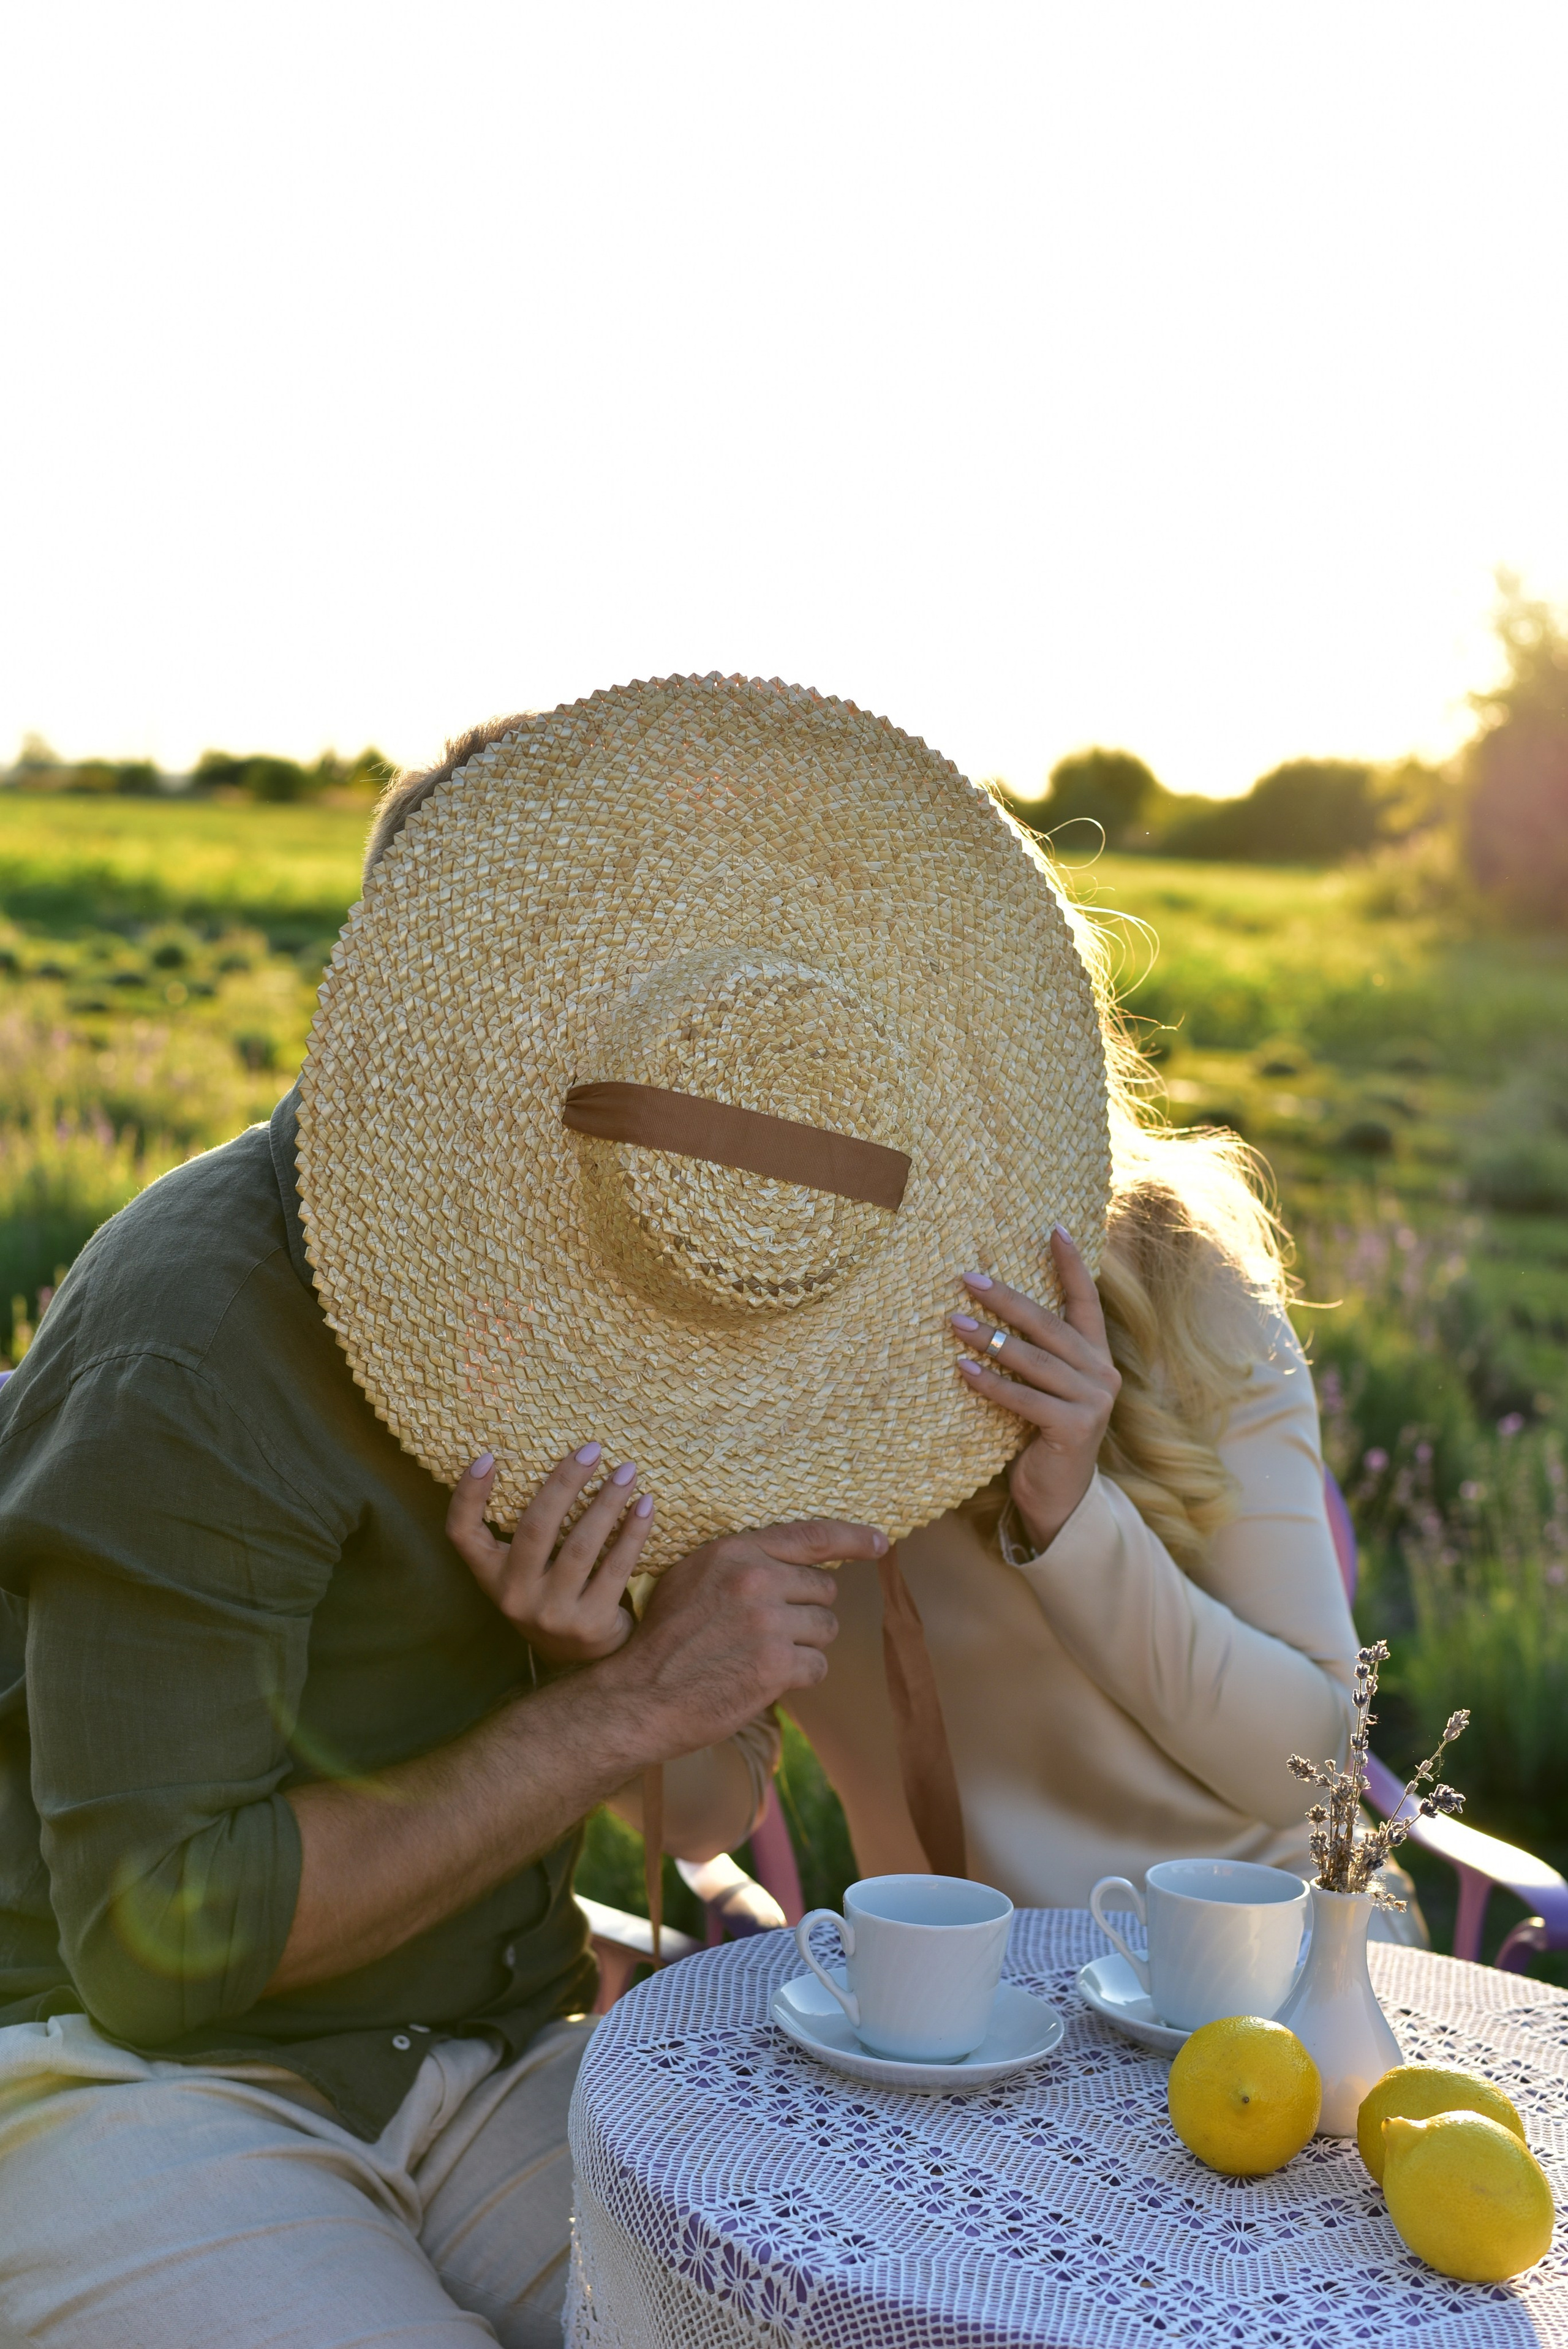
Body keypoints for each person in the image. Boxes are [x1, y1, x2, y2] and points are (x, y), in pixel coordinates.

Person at [0, 720, 881, 2349]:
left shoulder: (642, 1296)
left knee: (823, 2317)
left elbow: (701, 1813)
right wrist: (602, 1710)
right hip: (122, 2075)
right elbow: (157, 1945)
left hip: (480, 2051)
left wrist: (615, 1665)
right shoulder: (194, 1338)